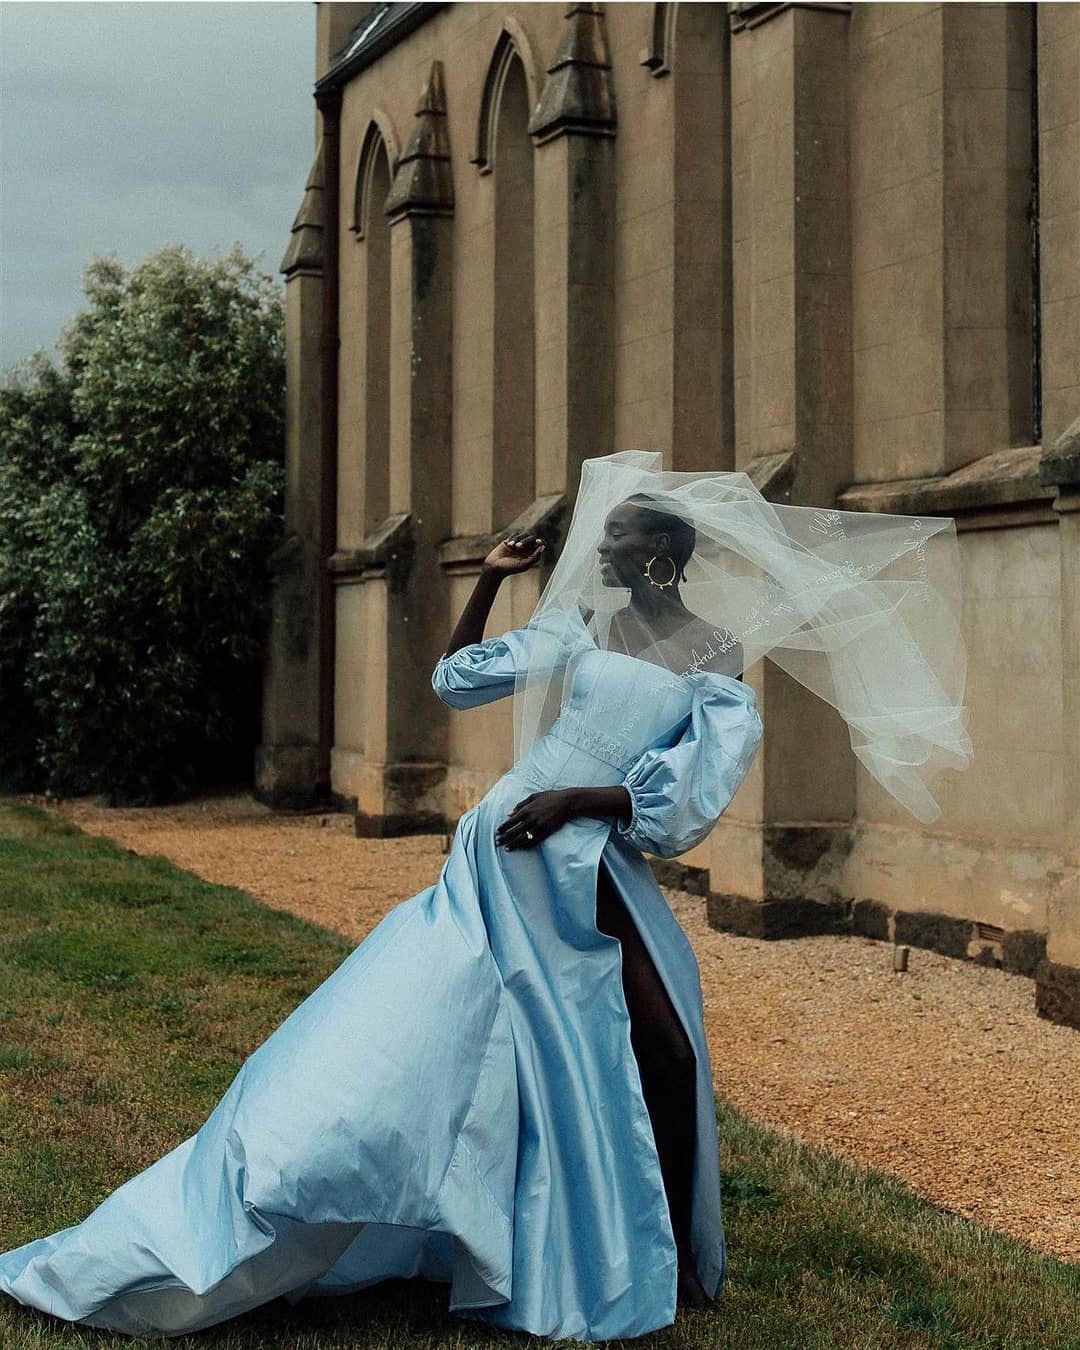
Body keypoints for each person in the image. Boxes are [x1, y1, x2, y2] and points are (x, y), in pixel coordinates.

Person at [0, 449, 972, 1342]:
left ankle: (665, 1256)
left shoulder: (714, 653)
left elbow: (683, 806)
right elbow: (460, 682)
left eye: (627, 533)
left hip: (591, 848)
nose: (608, 543)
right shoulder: (585, 624)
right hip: (511, 846)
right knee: (463, 1035)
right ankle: (291, 1188)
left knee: (662, 1045)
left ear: (666, 552)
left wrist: (584, 799)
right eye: (614, 532)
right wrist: (495, 583)